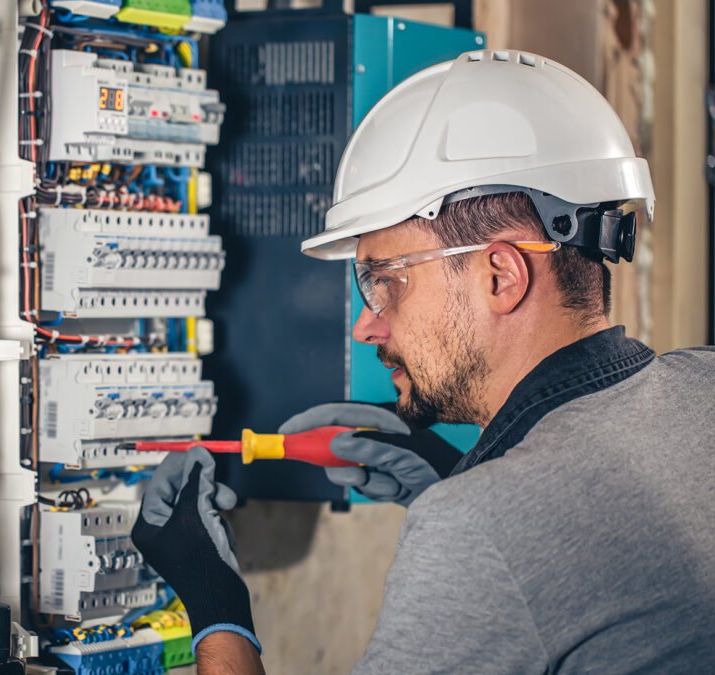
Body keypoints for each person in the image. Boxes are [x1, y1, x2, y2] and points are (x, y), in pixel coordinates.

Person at [131, 50, 715, 673]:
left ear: (500, 276)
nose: (365, 325)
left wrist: (217, 613)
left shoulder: (473, 533)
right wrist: (466, 472)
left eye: (386, 282)